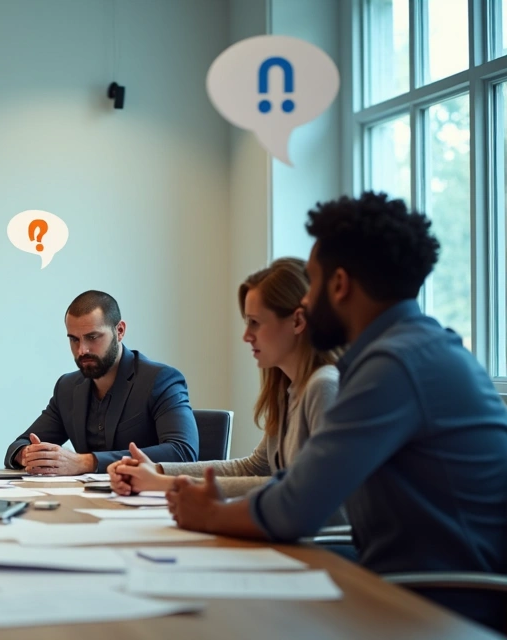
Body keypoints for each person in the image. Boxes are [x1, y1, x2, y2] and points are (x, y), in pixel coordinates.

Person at [166, 192, 507, 629]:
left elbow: (297, 506)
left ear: (340, 284)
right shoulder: (414, 349)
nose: (304, 303)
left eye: (312, 280)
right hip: (408, 588)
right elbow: (297, 481)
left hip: (439, 607)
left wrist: (211, 513)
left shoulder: (393, 367)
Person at [108, 259, 341, 502]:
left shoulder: (324, 386)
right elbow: (253, 469)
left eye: (255, 323)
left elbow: (301, 489)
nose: (246, 336)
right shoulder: (287, 390)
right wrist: (156, 471)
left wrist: (166, 483)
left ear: (297, 322)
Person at [3, 290, 197, 475]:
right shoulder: (67, 387)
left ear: (119, 331)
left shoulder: (160, 380)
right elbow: (19, 444)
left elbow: (182, 452)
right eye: (74, 340)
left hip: (147, 503)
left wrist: (86, 462)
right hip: (85, 502)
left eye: (92, 337)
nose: (82, 350)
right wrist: (29, 455)